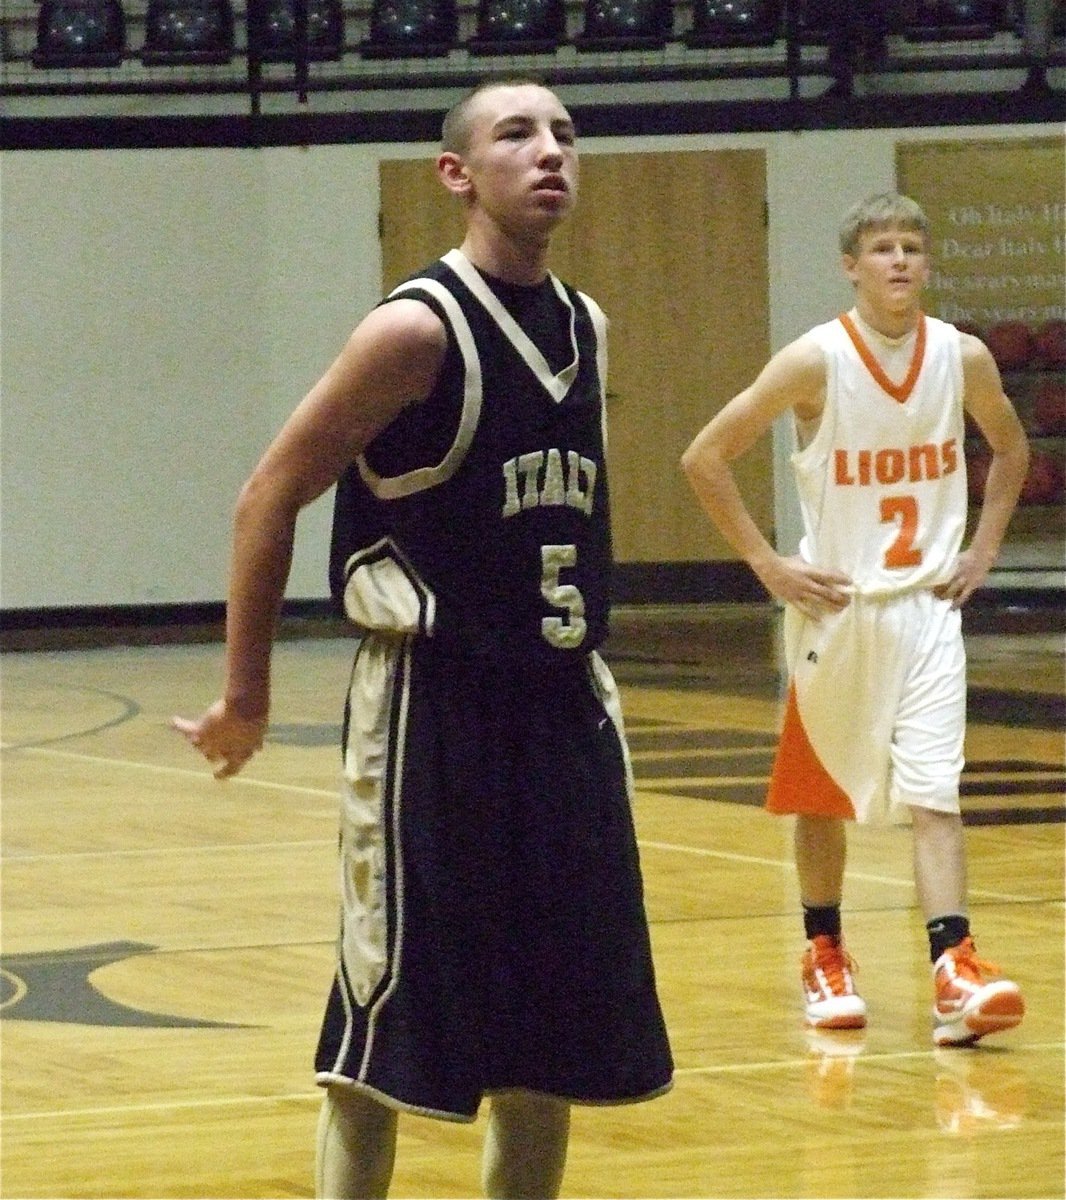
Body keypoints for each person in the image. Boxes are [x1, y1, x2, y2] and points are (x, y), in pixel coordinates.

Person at [172, 78, 673, 1199]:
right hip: (435, 710)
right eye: (517, 135)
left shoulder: (586, 327)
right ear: (457, 174)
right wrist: (245, 697)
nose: (550, 152)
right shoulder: (416, 329)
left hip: (563, 710)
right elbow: (266, 497)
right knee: (384, 1035)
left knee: (549, 1047)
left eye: (565, 134)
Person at [681, 192, 1030, 1048]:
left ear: (927, 262)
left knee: (935, 793)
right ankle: (825, 953)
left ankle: (953, 965)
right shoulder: (815, 360)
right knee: (822, 796)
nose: (900, 259)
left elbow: (1012, 449)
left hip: (928, 609)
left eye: (912, 245)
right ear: (850, 266)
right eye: (882, 248)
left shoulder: (962, 356)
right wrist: (768, 563)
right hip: (838, 611)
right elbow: (704, 456)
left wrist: (983, 550)